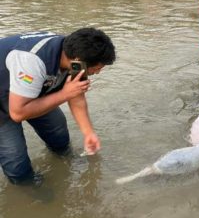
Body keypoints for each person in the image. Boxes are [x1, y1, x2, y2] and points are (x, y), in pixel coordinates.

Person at [0, 28, 116, 184]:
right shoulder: (31, 60)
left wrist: (88, 133)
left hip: (29, 91)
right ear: (78, 60)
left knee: (58, 130)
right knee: (15, 159)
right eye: (97, 68)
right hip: (5, 99)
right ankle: (28, 187)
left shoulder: (77, 58)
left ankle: (63, 156)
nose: (98, 72)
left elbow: (76, 95)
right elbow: (18, 113)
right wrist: (64, 94)